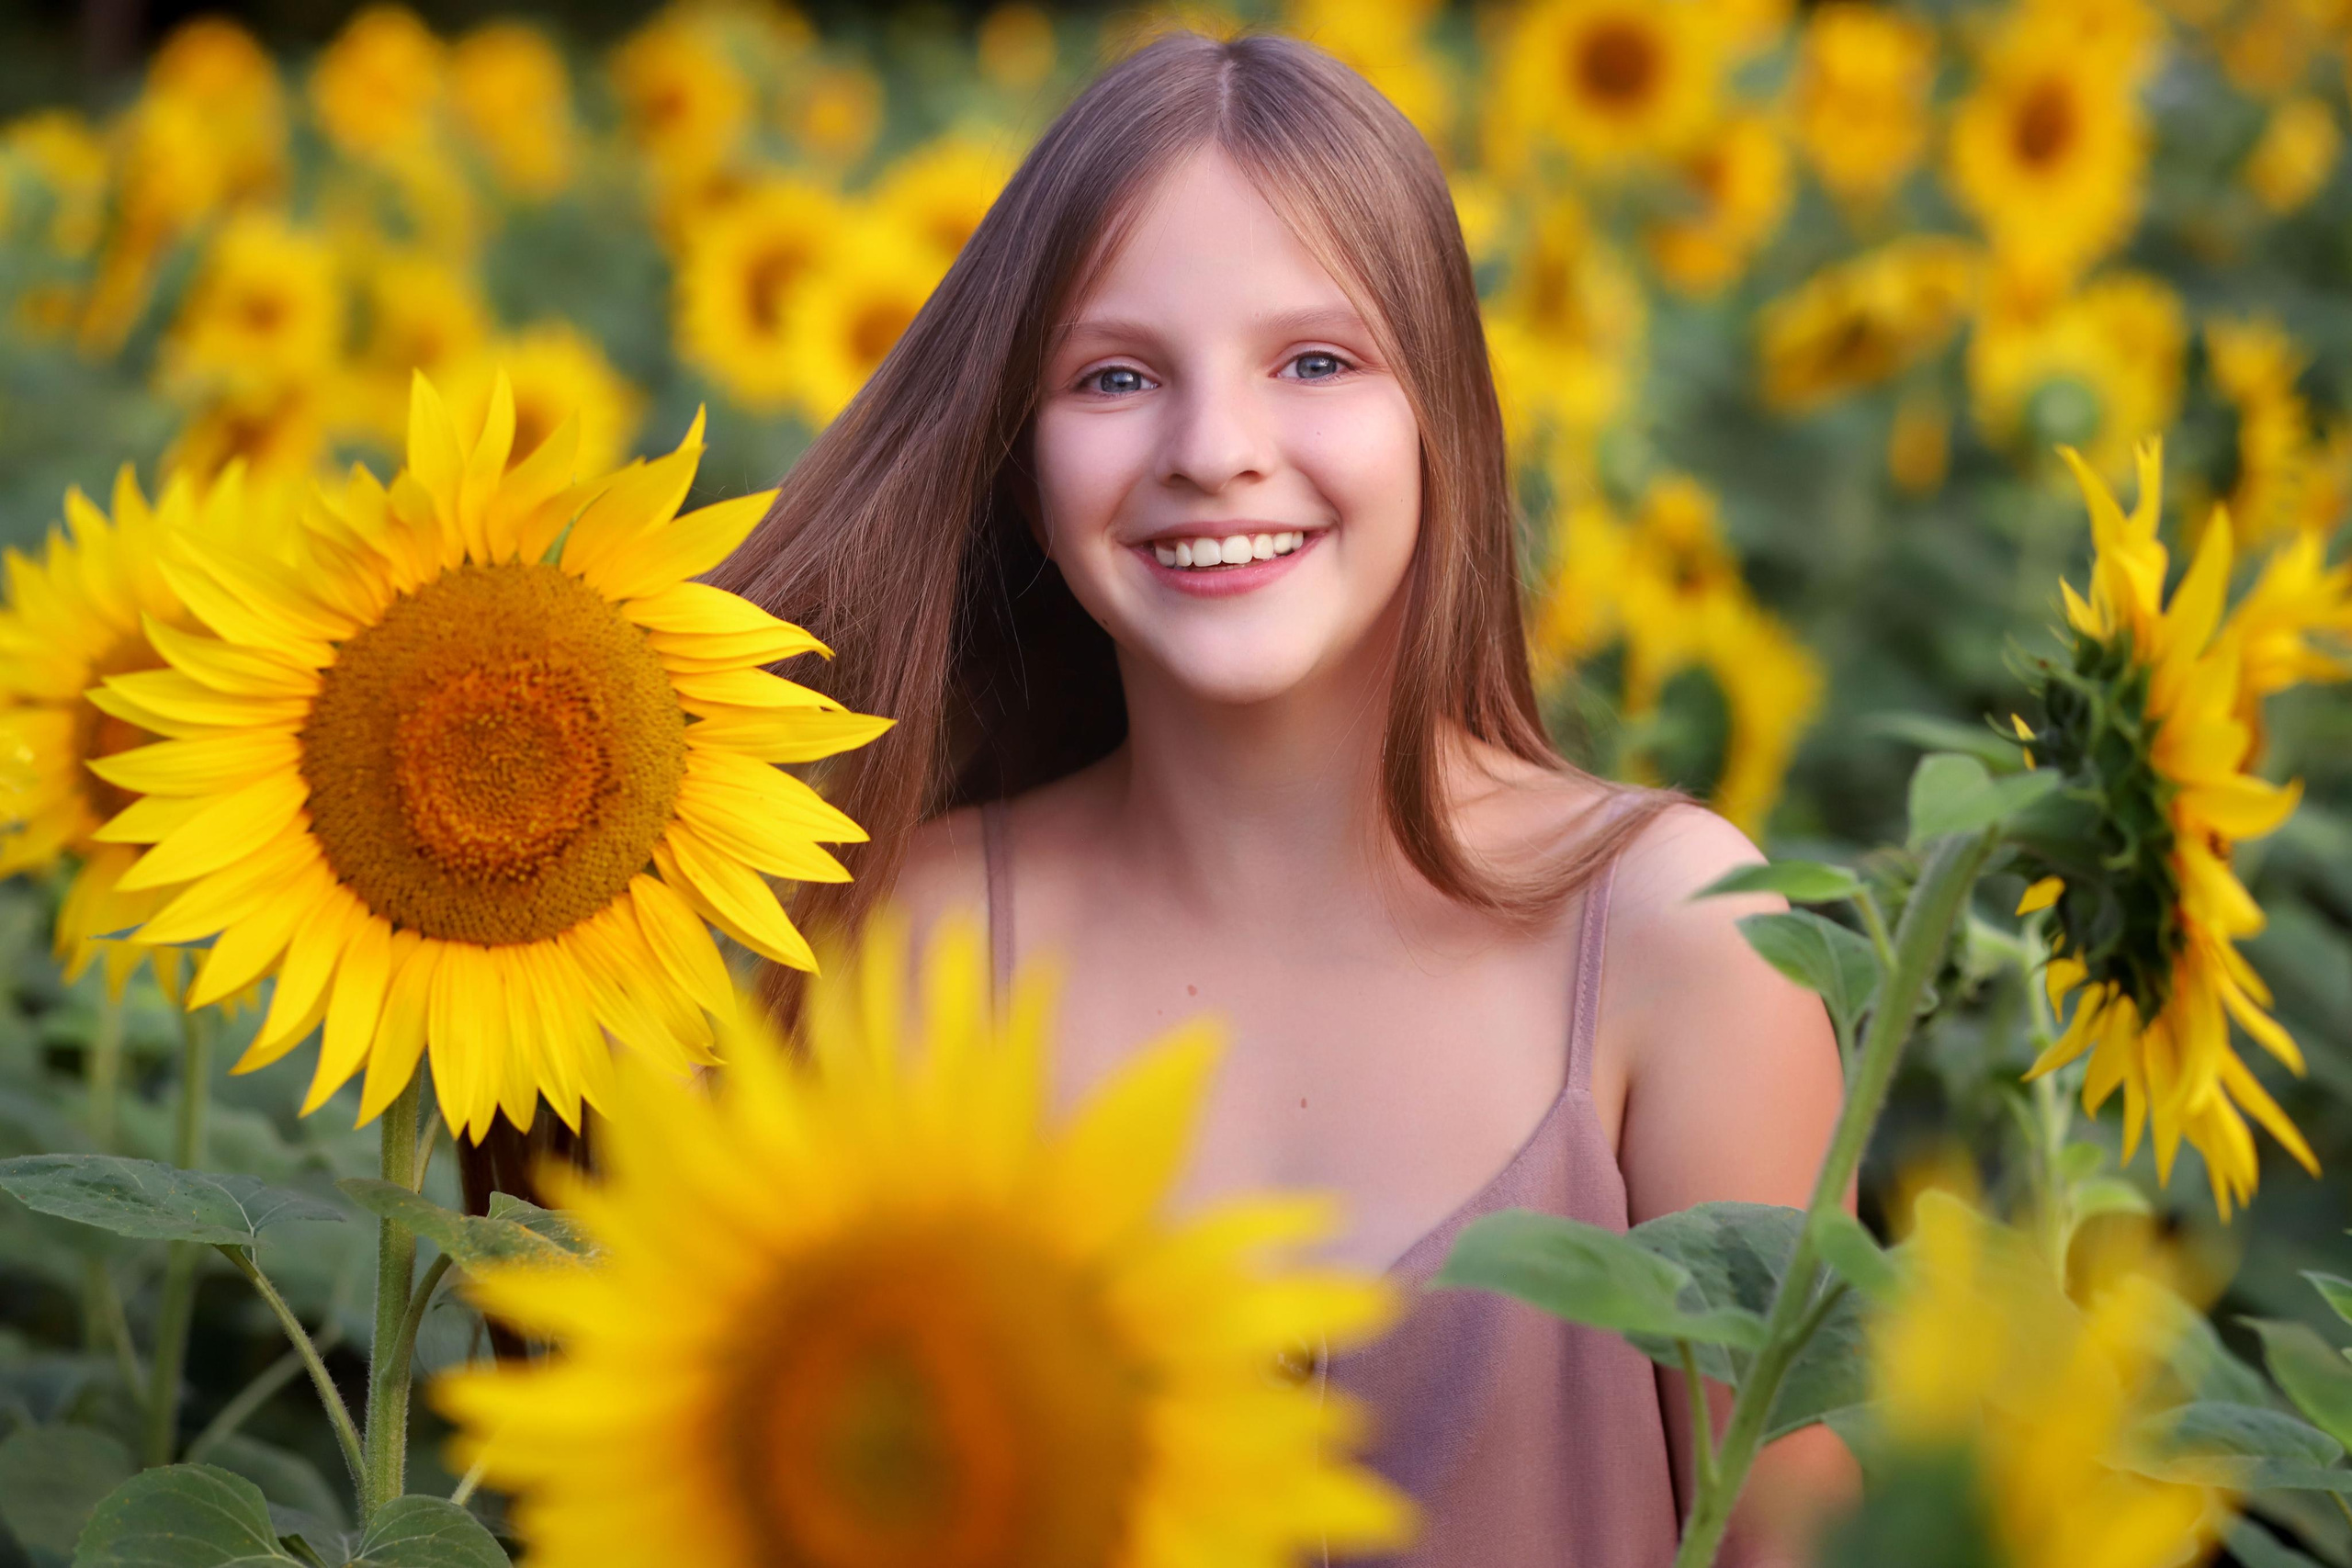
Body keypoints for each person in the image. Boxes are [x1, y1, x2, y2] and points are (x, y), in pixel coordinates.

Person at [712, 29, 1850, 1567]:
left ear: (1439, 411)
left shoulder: (1678, 945)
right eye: (1115, 376)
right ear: (1021, 453)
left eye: (1314, 361)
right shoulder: (910, 949)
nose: (1216, 451)